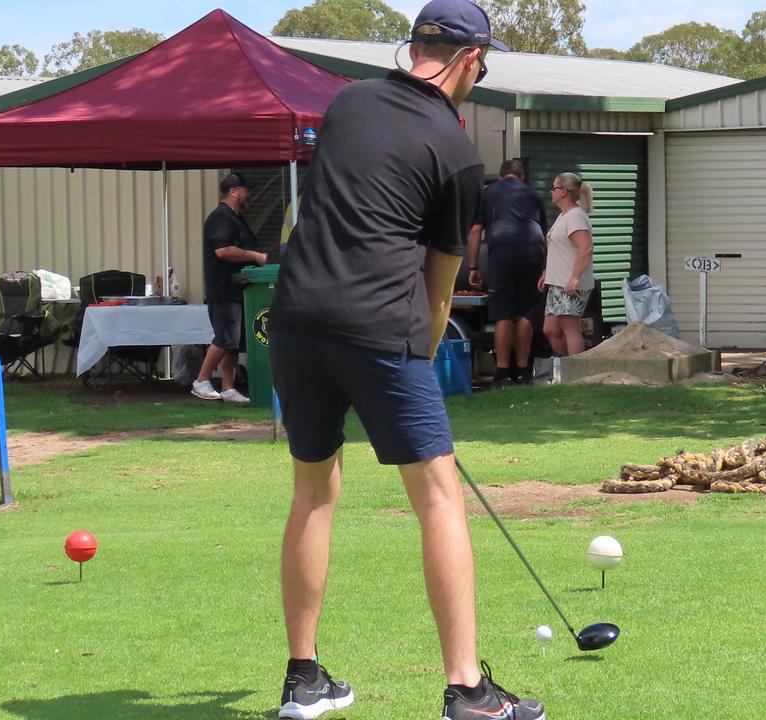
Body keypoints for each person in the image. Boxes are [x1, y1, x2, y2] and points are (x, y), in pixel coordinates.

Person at [266, 1, 546, 718]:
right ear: (470, 59)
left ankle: (304, 679)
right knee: (439, 498)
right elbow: (441, 284)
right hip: (380, 328)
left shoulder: (348, 101)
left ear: (416, 45)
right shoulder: (457, 152)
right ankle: (467, 691)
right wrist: (417, 364)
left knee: (314, 492)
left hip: (295, 321)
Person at [467, 159, 548, 385]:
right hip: (533, 254)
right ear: (521, 177)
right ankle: (522, 371)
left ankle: (503, 373)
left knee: (503, 314)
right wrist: (545, 269)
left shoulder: (489, 193)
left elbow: (475, 231)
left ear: (502, 176)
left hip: (503, 254)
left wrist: (473, 266)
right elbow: (544, 233)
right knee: (525, 313)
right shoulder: (533, 195)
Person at [193, 173, 268, 403]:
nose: (251, 196)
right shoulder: (220, 218)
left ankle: (228, 388)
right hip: (224, 290)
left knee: (234, 343)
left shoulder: (237, 218)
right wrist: (254, 256)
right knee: (225, 338)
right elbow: (223, 251)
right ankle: (201, 381)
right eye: (247, 190)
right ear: (234, 191)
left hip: (239, 290)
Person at [539, 172, 595, 356]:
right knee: (550, 329)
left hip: (570, 284)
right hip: (558, 282)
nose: (551, 191)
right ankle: (567, 367)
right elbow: (561, 249)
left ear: (563, 192)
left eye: (553, 188)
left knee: (569, 328)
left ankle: (574, 378)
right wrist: (547, 272)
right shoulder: (563, 216)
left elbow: (585, 248)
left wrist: (574, 278)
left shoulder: (575, 217)